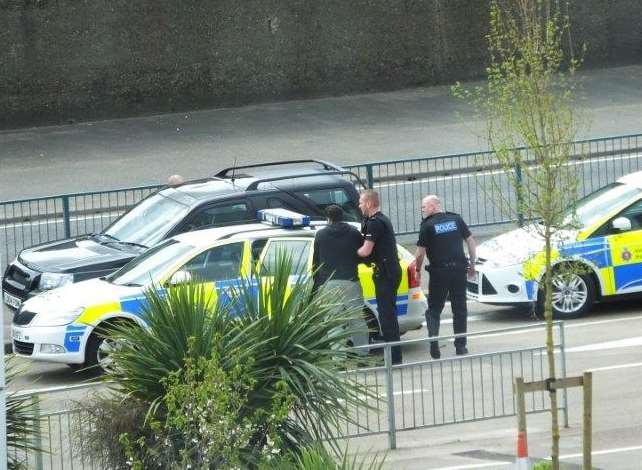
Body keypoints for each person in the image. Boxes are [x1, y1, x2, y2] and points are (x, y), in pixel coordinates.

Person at [414, 195, 476, 359]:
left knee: (434, 309)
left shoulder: (427, 226)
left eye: (424, 207)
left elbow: (420, 253)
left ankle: (434, 342)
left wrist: (417, 270)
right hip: (458, 270)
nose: (422, 210)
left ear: (433, 206)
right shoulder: (456, 219)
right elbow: (470, 241)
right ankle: (461, 347)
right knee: (460, 308)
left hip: (439, 273)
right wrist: (472, 264)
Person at [312, 205, 369, 353]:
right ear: (342, 216)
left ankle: (338, 358)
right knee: (357, 320)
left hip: (329, 283)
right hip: (351, 281)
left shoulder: (321, 235)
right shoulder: (353, 233)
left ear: (328, 219)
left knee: (334, 322)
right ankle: (363, 355)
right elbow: (362, 254)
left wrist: (317, 284)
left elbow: (315, 262)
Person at [357, 190, 403, 364]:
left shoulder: (375, 223)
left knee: (387, 316)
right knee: (388, 315)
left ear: (369, 204)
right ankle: (394, 356)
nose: (359, 205)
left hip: (386, 273)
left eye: (361, 202)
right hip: (387, 271)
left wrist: (349, 253)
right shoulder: (379, 219)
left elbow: (365, 250)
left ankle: (394, 358)